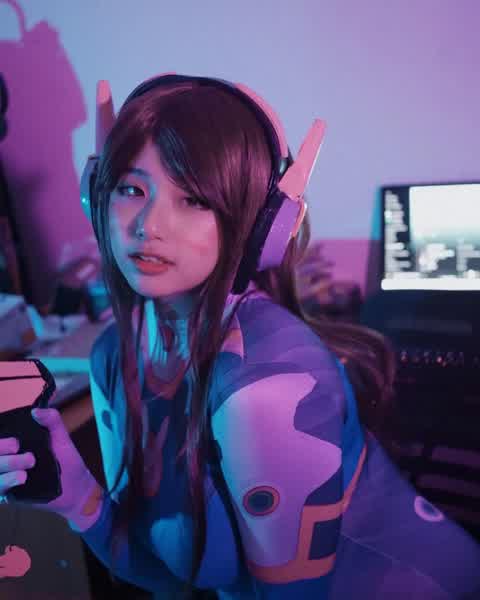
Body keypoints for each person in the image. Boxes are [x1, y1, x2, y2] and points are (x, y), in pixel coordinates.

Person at [1, 73, 480, 600]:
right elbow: (165, 577)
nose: (148, 225)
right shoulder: (113, 356)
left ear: (262, 227)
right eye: (131, 189)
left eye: (194, 200)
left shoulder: (265, 389)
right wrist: (75, 496)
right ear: (97, 197)